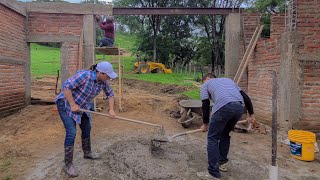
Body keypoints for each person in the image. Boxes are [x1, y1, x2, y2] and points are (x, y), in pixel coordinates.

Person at [55, 61, 117, 177]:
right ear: (100, 73)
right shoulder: (84, 75)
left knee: (87, 127)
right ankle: (68, 164)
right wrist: (73, 105)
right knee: (71, 132)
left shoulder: (103, 82)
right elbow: (66, 86)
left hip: (82, 106)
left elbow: (110, 95)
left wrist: (111, 109)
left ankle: (87, 153)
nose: (109, 78)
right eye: (108, 75)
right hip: (66, 104)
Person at [196, 73, 255, 180]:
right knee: (224, 134)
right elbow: (245, 97)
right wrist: (251, 114)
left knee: (212, 138)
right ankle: (222, 163)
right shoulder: (228, 80)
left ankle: (213, 173)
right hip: (238, 107)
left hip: (223, 107)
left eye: (203, 81)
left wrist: (205, 124)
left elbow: (205, 104)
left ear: (207, 79)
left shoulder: (206, 84)